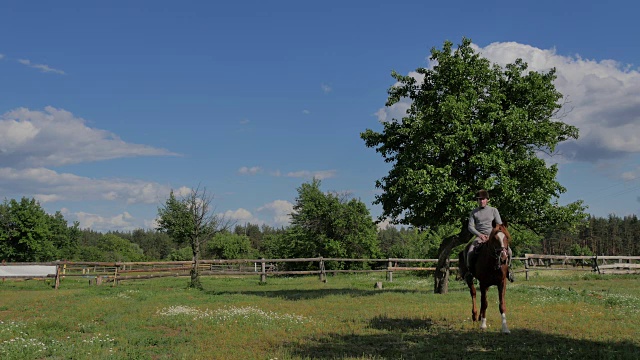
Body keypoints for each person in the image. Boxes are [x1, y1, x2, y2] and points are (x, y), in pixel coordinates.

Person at [466, 189, 514, 282]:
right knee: (470, 251)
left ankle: (508, 270)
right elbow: (470, 227)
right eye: (479, 199)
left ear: (487, 200)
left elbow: (499, 225)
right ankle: (470, 273)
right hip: (480, 237)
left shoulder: (493, 210)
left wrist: (493, 235)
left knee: (510, 251)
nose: (481, 201)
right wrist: (480, 235)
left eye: (483, 199)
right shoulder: (474, 212)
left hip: (493, 236)